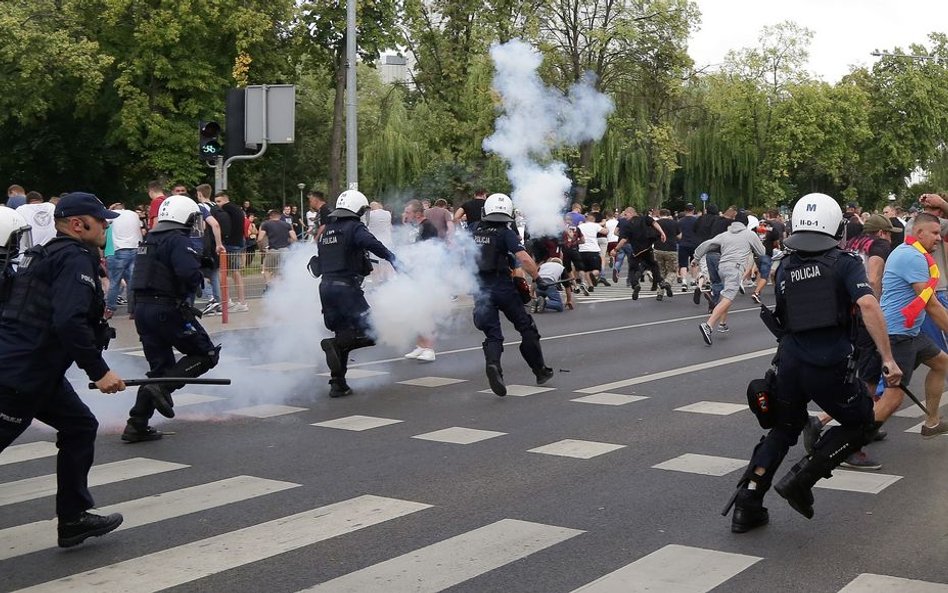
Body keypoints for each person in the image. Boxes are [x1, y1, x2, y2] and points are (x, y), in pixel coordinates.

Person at [727, 193, 902, 533]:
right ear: (835, 226)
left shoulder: (786, 265)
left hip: (789, 363)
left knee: (783, 429)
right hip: (829, 364)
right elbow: (868, 305)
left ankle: (747, 503)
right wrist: (888, 359)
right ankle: (801, 479)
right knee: (863, 422)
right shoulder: (845, 262)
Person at [0, 192, 127, 547]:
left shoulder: (47, 254)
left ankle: (73, 519)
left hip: (39, 371)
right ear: (77, 224)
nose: (105, 226)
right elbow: (68, 322)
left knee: (80, 426)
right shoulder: (73, 258)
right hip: (22, 375)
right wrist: (98, 371)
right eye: (100, 221)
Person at [123, 195, 221, 442]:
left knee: (160, 368)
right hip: (167, 309)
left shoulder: (150, 238)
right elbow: (187, 275)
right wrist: (200, 271)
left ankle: (136, 423)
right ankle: (162, 388)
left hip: (143, 311)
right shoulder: (178, 240)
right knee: (205, 354)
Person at [870, 211, 948, 437]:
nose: (938, 237)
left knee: (942, 364)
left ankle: (931, 423)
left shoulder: (911, 253)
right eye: (934, 233)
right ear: (918, 232)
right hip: (897, 334)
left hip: (910, 332)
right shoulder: (913, 257)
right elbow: (931, 305)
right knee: (891, 397)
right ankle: (844, 447)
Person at [315, 190, 398, 397]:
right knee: (372, 332)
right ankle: (335, 345)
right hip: (347, 289)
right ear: (357, 210)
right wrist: (394, 259)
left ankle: (337, 383)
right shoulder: (354, 227)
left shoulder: (327, 231)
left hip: (326, 288)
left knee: (343, 333)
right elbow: (371, 244)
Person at [471, 193, 553, 396]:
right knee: (526, 327)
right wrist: (537, 278)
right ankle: (540, 370)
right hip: (503, 287)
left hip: (480, 288)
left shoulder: (473, 231)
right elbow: (524, 259)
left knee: (493, 334)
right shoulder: (505, 233)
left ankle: (493, 366)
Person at [696, 217, 764, 344]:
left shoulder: (725, 234)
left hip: (722, 266)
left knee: (726, 294)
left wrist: (696, 257)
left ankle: (722, 323)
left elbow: (708, 243)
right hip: (735, 268)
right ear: (747, 224)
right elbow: (762, 251)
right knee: (728, 297)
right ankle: (709, 325)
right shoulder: (750, 234)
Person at [402, 199, 440, 362]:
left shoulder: (428, 228)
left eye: (408, 212)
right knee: (417, 311)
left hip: (426, 274)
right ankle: (420, 345)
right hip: (416, 274)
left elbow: (429, 252)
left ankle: (429, 348)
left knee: (427, 312)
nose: (405, 215)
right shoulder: (416, 228)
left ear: (417, 214)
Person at [104, 203, 143, 319]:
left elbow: (103, 223)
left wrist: (109, 209)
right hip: (135, 248)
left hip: (119, 250)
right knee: (132, 281)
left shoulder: (113, 215)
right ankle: (133, 310)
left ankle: (110, 309)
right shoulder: (134, 214)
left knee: (115, 282)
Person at [214, 192, 248, 311]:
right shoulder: (237, 209)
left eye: (219, 201)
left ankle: (228, 301)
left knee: (222, 272)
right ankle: (241, 301)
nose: (217, 204)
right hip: (237, 242)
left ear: (225, 200)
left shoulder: (226, 208)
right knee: (234, 272)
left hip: (230, 244)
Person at [258, 208, 297, 287]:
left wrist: (261, 249)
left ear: (271, 216)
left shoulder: (266, 224)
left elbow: (259, 239)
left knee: (267, 269)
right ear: (279, 216)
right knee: (282, 270)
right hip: (285, 250)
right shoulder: (287, 225)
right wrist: (288, 241)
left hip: (273, 249)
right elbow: (294, 238)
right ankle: (281, 287)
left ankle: (269, 285)